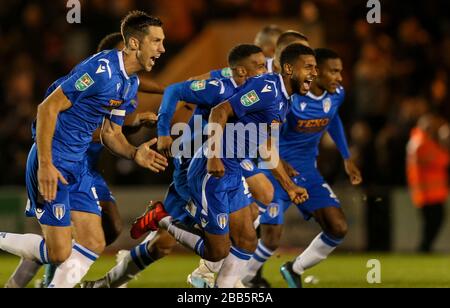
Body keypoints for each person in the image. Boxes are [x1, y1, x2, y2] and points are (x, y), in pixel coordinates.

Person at [0, 11, 168, 288]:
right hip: (53, 161)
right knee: (58, 252)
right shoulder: (101, 70)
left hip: (77, 165)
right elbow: (47, 108)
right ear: (135, 43)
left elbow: (110, 134)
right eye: (157, 41)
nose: (162, 49)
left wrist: (134, 152)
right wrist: (45, 164)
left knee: (94, 240)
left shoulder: (129, 84)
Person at [80, 44, 269, 288]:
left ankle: (105, 284)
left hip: (219, 167)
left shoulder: (262, 90)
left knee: (162, 244)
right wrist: (164, 131)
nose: (265, 70)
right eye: (261, 65)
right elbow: (176, 90)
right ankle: (212, 275)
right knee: (230, 233)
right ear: (242, 70)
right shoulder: (220, 84)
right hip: (196, 169)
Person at [132, 43, 315, 288]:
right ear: (290, 69)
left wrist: (290, 186)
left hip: (233, 171)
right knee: (217, 250)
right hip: (213, 170)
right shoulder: (267, 88)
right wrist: (214, 156)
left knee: (248, 240)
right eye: (309, 67)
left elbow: (266, 146)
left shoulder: (284, 101)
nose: (315, 73)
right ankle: (163, 218)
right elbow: (219, 111)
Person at [241, 48, 362, 288]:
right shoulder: (291, 98)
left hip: (308, 171)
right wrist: (279, 161)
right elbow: (267, 133)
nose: (339, 77)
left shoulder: (336, 94)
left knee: (338, 227)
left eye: (340, 71)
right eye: (333, 71)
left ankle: (294, 269)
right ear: (316, 74)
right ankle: (236, 281)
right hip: (275, 170)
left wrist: (346, 157)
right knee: (271, 239)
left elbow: (333, 117)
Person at [406, 112, 449, 252]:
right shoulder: (421, 143)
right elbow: (441, 159)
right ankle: (424, 248)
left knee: (433, 222)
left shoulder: (422, 141)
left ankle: (425, 248)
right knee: (433, 222)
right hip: (428, 193)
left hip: (431, 192)